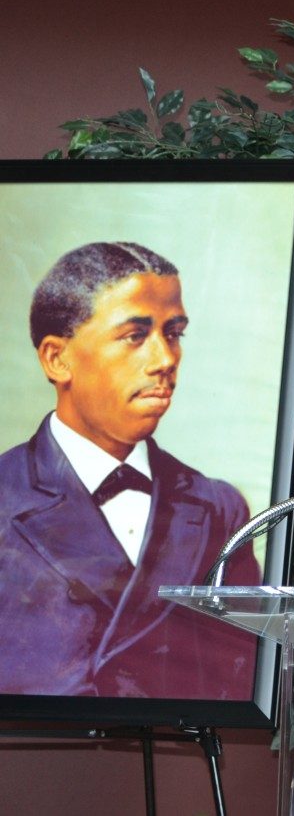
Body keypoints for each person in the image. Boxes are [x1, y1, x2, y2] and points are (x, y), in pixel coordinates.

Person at [0, 241, 259, 700]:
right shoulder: (6, 494)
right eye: (135, 336)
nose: (164, 360)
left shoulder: (219, 508)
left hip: (172, 763)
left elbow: (238, 684)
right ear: (57, 358)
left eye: (174, 333)